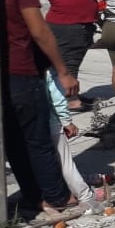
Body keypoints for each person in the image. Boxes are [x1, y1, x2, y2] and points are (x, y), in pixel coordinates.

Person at [0, 0, 79, 218]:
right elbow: (39, 31)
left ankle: (34, 197)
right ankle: (59, 198)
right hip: (24, 72)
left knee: (16, 141)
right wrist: (64, 71)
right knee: (38, 140)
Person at [38, 0, 99, 113]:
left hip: (73, 21)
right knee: (69, 62)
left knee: (71, 61)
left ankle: (72, 95)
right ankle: (71, 100)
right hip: (69, 23)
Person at [46, 71, 103, 210]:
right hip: (52, 123)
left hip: (33, 125)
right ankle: (86, 196)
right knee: (65, 163)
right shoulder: (48, 72)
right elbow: (57, 98)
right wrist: (66, 121)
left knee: (48, 163)